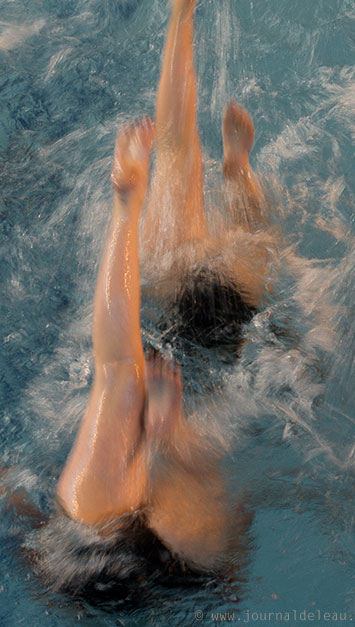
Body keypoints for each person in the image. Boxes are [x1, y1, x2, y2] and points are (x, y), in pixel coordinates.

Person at [39, 118, 237, 595]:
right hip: (98, 551)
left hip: (99, 541)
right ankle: (126, 210)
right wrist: (161, 438)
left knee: (117, 377)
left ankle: (126, 211)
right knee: (119, 380)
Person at [142, 0, 270, 352]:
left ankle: (238, 167)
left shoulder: (167, 266)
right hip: (211, 298)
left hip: (223, 292)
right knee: (175, 152)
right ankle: (238, 168)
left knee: (251, 239)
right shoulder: (165, 266)